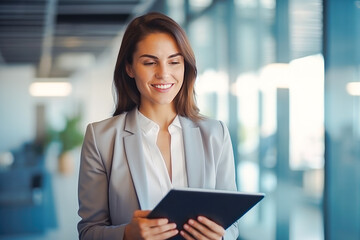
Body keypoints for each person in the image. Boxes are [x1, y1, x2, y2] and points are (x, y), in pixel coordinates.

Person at [77, 12, 239, 240]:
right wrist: (127, 234)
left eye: (174, 61)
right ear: (130, 68)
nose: (164, 73)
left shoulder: (215, 134)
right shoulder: (101, 138)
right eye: (150, 62)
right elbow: (88, 231)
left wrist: (220, 237)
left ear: (185, 67)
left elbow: (231, 225)